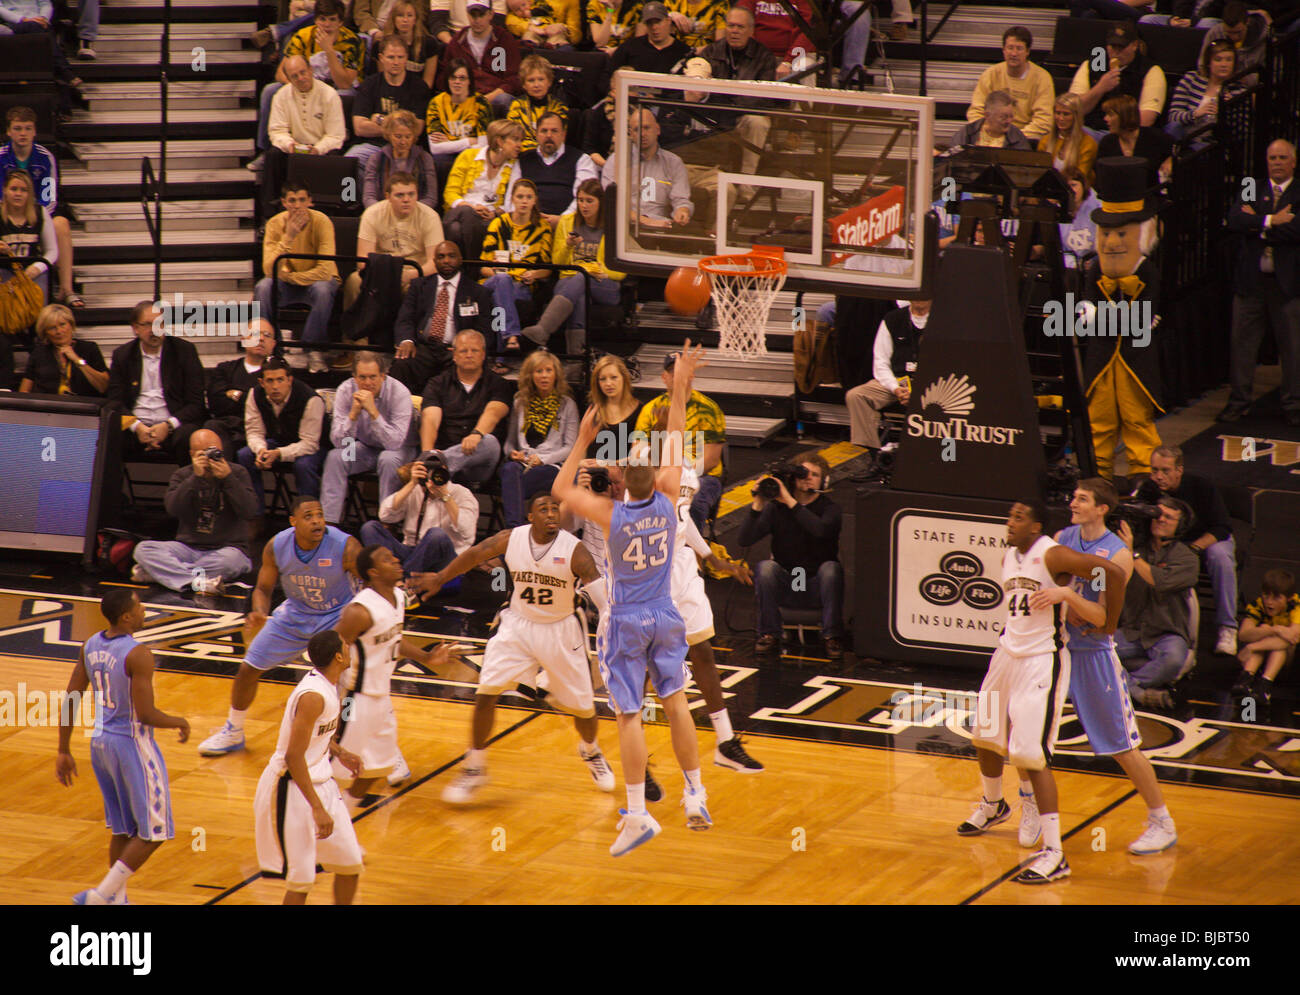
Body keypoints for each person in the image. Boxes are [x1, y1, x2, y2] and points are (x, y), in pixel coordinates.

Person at [551, 340, 713, 856]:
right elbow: (676, 432)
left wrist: (581, 440)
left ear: (621, 481)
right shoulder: (669, 498)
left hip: (625, 619)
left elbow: (559, 489)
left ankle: (639, 813)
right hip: (666, 614)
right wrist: (682, 381)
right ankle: (695, 794)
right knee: (676, 703)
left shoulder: (611, 515)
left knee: (627, 714)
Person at [957, 499, 1128, 885]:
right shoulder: (1008, 556)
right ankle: (993, 803)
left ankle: (1055, 853)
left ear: (1036, 526)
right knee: (984, 736)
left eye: (1019, 516)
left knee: (1031, 755)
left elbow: (1111, 573)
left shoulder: (1053, 555)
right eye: (1010, 514)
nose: (1010, 521)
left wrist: (1108, 622)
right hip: (1006, 653)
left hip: (1041, 660)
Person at [414, 492, 617, 802]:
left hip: (561, 630)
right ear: (530, 517)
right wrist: (441, 578)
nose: (551, 513)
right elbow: (474, 555)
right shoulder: (511, 538)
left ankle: (590, 750)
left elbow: (600, 594)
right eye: (543, 508)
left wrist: (617, 626)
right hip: (516, 626)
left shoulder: (574, 550)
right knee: (486, 692)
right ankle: (475, 765)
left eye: (554, 508)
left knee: (584, 708)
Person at [1056, 478, 1178, 854]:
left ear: (1101, 509)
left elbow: (1105, 616)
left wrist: (1073, 605)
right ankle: (1023, 806)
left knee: (1122, 746)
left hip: (1093, 656)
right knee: (1028, 734)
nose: (1072, 503)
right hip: (1056, 650)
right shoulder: (1062, 536)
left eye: (1082, 499)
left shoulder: (1117, 554)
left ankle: (1161, 820)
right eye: (1073, 496)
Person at [197, 496, 362, 757]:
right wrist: (260, 612)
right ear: (293, 522)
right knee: (247, 669)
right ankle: (233, 730)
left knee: (347, 686)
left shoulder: (345, 546)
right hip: (294, 615)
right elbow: (263, 588)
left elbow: (370, 582)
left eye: (319, 515)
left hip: (335, 617)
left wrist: (359, 621)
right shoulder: (277, 545)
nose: (317, 521)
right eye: (309, 516)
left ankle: (344, 742)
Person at [57, 589, 190, 905]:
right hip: (132, 745)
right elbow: (146, 714)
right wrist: (179, 722)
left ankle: (117, 899)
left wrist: (63, 749)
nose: (145, 611)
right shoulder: (138, 653)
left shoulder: (90, 645)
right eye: (140, 607)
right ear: (127, 616)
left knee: (122, 829)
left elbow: (71, 696)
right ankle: (101, 896)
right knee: (153, 833)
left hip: (100, 744)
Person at [333, 545, 458, 804]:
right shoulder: (359, 611)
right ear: (373, 572)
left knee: (379, 767)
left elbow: (393, 641)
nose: (397, 560)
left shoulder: (398, 599)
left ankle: (343, 818)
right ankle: (310, 824)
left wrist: (426, 657)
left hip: (382, 698)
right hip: (354, 700)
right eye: (388, 560)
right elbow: (331, 651)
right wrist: (329, 701)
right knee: (335, 770)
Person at [253, 629, 364, 904]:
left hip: (322, 782)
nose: (349, 646)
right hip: (292, 789)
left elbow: (316, 736)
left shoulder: (330, 683)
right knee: (301, 881)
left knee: (350, 866)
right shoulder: (313, 696)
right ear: (338, 656)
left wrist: (340, 751)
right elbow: (293, 756)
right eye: (345, 644)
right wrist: (317, 807)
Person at [1080, 157, 1165, 480]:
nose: (1113, 242)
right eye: (1107, 233)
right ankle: (1095, 479)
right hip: (1101, 360)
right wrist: (1117, 318)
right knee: (1098, 422)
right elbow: (1083, 316)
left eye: (1121, 233)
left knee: (1136, 421)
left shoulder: (1148, 272)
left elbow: (1141, 320)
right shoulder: (1094, 272)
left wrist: (1105, 317)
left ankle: (1143, 480)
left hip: (1135, 361)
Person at [1221, 139, 1300, 426]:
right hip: (1250, 282)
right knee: (1242, 345)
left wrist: (1258, 226)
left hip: (1288, 284)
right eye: (1272, 158)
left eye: (1282, 157)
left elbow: (1296, 229)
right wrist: (1271, 221)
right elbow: (1234, 220)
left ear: (1293, 161)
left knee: (1293, 348)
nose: (1277, 162)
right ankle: (1238, 403)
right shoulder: (1250, 186)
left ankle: (1294, 406)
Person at [738, 451, 845, 660]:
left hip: (815, 582)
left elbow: (820, 530)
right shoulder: (777, 509)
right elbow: (744, 540)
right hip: (789, 581)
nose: (808, 477)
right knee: (765, 568)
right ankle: (769, 633)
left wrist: (789, 501)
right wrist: (758, 504)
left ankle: (832, 636)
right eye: (803, 473)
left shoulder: (830, 509)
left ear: (824, 480)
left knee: (831, 569)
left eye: (814, 474)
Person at [1137, 445, 1240, 655]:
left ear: (1179, 470)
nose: (1158, 476)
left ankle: (1227, 628)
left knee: (1221, 558)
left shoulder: (1201, 486)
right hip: (1169, 543)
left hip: (1206, 539)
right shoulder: (1148, 490)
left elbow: (1222, 527)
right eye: (1154, 470)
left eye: (1165, 471)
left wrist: (1193, 548)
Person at [131, 429, 259, 595]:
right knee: (143, 549)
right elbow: (173, 509)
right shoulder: (183, 475)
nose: (210, 457)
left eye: (215, 452)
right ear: (192, 454)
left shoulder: (237, 473)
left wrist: (228, 479)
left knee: (231, 562)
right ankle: (197, 582)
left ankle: (162, 574)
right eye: (203, 453)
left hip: (227, 549)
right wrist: (195, 479)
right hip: (188, 548)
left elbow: (249, 511)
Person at [1113, 496, 1198, 709]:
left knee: (1173, 659)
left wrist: (1130, 553)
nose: (1160, 520)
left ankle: (1121, 687)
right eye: (1157, 515)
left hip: (1166, 633)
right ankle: (1138, 693)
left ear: (1181, 526)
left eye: (1168, 518)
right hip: (1132, 631)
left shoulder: (1188, 559)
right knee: (1091, 649)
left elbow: (1157, 580)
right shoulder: (1135, 547)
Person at [524, 177, 623, 351]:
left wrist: (596, 270)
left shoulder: (612, 226)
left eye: (589, 201)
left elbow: (621, 271)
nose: (584, 205)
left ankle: (543, 329)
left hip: (605, 284)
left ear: (601, 202)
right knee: (579, 291)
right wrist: (568, 246)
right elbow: (558, 263)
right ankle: (577, 359)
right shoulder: (567, 222)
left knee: (581, 276)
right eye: (581, 200)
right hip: (570, 282)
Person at [106, 300, 207, 466]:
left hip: (174, 426)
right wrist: (137, 426)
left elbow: (196, 404)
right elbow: (115, 402)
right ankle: (113, 492)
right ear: (135, 328)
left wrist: (168, 426)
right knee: (109, 436)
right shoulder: (122, 355)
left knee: (189, 436)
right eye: (147, 325)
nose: (154, 330)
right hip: (136, 427)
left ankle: (187, 489)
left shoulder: (184, 351)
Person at [254, 182, 340, 374]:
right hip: (289, 284)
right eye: (292, 200)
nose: (298, 205)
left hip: (316, 282)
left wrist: (291, 277)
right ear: (284, 203)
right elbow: (269, 269)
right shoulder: (275, 224)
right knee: (263, 287)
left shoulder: (322, 221)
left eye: (302, 200)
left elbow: (325, 270)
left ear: (310, 201)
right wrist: (289, 237)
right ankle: (272, 349)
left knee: (323, 289)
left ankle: (312, 349)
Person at [320, 352, 414, 525]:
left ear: (383, 376)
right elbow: (340, 443)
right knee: (336, 457)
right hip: (366, 446)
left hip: (401, 449)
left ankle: (387, 522)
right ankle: (330, 523)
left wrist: (373, 413)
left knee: (387, 459)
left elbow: (394, 443)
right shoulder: (345, 390)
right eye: (362, 377)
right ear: (354, 377)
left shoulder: (400, 393)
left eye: (373, 377)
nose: (368, 383)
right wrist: (353, 416)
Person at [633, 350, 724, 529]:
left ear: (691, 375)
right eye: (674, 373)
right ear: (664, 377)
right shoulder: (650, 409)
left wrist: (680, 476)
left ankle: (691, 552)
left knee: (692, 501)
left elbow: (712, 459)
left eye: (682, 372)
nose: (678, 378)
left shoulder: (709, 408)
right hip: (659, 473)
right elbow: (638, 453)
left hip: (702, 476)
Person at [1, 106, 82, 308]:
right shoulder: (0, 156)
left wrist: (33, 215)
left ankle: (66, 289)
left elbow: (50, 197)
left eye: (28, 128)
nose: (23, 134)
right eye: (18, 128)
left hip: (37, 214)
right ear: (9, 131)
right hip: (6, 215)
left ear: (35, 131)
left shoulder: (45, 157)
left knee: (61, 224)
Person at [391, 240, 496, 392]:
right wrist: (406, 340)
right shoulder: (419, 286)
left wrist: (465, 348)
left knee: (467, 363)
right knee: (402, 362)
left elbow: (485, 330)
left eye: (451, 256)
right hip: (423, 348)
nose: (446, 260)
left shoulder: (478, 292)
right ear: (434, 261)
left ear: (460, 259)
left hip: (456, 350)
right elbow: (404, 318)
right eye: (441, 257)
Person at [845, 299, 930, 476]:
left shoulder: (944, 319)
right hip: (896, 381)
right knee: (856, 396)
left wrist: (920, 389)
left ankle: (945, 457)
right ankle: (873, 459)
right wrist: (895, 388)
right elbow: (880, 362)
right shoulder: (892, 319)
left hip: (931, 384)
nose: (920, 298)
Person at [418, 329, 513, 483]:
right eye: (463, 350)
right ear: (454, 355)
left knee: (489, 441)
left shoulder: (498, 384)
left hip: (479, 465)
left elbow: (493, 413)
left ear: (483, 354)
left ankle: (430, 466)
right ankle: (433, 464)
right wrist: (427, 452)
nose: (469, 354)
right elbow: (430, 419)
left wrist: (477, 434)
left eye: (474, 350)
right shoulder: (437, 383)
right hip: (445, 455)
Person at [238, 355, 328, 517]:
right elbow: (254, 432)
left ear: (289, 380)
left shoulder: (310, 399)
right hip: (278, 442)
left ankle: (308, 517)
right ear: (262, 383)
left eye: (280, 380)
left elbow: (310, 443)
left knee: (303, 465)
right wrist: (261, 451)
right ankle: (255, 516)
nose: (275, 386)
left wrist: (279, 453)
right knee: (245, 455)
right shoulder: (254, 394)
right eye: (270, 381)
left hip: (314, 447)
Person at [360, 451, 478, 573]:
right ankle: (396, 579)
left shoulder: (462, 493)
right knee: (370, 528)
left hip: (445, 560)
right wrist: (411, 483)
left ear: (445, 470)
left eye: (436, 470)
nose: (430, 474)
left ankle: (401, 584)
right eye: (426, 469)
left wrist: (445, 497)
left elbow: (467, 532)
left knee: (436, 535)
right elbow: (385, 516)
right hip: (412, 551)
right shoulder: (414, 490)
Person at [344, 170, 444, 311]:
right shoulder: (372, 214)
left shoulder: (430, 217)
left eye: (411, 194)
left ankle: (410, 333)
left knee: (420, 288)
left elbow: (435, 263)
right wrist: (389, 275)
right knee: (354, 281)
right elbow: (362, 261)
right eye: (399, 195)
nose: (406, 199)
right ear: (388, 197)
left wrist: (410, 275)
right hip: (379, 271)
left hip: (415, 272)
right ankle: (355, 332)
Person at [501, 350, 577, 527]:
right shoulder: (520, 402)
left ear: (556, 374)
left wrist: (542, 460)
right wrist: (512, 453)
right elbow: (510, 442)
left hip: (552, 467)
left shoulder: (567, 404)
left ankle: (515, 531)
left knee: (512, 483)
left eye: (548, 371)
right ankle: (516, 530)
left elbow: (570, 448)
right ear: (530, 375)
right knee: (509, 469)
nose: (544, 376)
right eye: (539, 371)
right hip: (523, 465)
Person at [261, 55, 347, 209]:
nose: (300, 78)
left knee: (336, 157)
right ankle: (270, 213)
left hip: (322, 150)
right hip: (293, 150)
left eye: (303, 72)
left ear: (311, 70)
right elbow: (276, 131)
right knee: (273, 155)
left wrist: (318, 149)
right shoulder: (281, 96)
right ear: (288, 78)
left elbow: (336, 135)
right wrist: (290, 145)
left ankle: (333, 209)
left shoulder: (329, 95)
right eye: (294, 76)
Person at [480, 178, 554, 354]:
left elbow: (548, 270)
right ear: (512, 198)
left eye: (529, 197)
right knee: (502, 281)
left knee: (501, 301)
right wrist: (497, 274)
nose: (524, 201)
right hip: (492, 281)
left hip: (521, 286)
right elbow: (482, 267)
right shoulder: (499, 223)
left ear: (535, 200)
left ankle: (501, 352)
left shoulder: (542, 228)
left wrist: (534, 275)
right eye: (520, 196)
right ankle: (512, 334)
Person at [442, 118, 524, 260]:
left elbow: (511, 202)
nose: (520, 145)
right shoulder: (468, 156)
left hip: (489, 217)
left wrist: (495, 213)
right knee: (467, 214)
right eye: (515, 140)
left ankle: (467, 268)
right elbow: (450, 193)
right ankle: (475, 267)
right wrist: (470, 207)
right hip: (460, 210)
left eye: (521, 140)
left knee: (456, 229)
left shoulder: (515, 166)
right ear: (499, 141)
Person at [347, 36, 432, 166]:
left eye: (400, 57)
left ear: (407, 58)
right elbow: (360, 127)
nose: (396, 62)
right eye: (391, 57)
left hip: (406, 148)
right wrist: (400, 129)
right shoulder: (369, 84)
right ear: (381, 58)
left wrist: (380, 120)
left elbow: (417, 129)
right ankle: (352, 188)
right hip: (373, 146)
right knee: (351, 159)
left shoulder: (419, 87)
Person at [1069, 23, 1167, 133]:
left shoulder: (1150, 70)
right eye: (1112, 46)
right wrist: (1100, 87)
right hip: (1089, 128)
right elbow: (1073, 109)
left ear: (1134, 45)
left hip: (1126, 134)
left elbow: (1147, 118)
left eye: (1121, 47)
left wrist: (1117, 135)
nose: (1116, 52)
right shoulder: (1093, 65)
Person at [205, 319, 278, 460]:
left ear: (273, 344)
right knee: (212, 427)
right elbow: (216, 403)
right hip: (225, 428)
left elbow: (268, 406)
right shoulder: (224, 369)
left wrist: (233, 393)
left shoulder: (276, 373)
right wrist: (251, 397)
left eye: (267, 335)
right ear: (244, 340)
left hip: (261, 431)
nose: (261, 338)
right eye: (255, 334)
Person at [967, 26, 1055, 143]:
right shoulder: (990, 74)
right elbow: (975, 112)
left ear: (1028, 51)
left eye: (1019, 48)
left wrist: (1014, 138)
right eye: (1010, 48)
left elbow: (1044, 120)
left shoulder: (1042, 78)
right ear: (1003, 50)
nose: (1014, 53)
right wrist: (989, 131)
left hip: (1026, 139)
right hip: (991, 135)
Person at [440, 0, 521, 115]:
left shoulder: (503, 39)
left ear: (491, 14)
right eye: (473, 15)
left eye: (481, 15)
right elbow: (445, 75)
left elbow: (513, 79)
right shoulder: (458, 42)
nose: (477, 20)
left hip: (495, 98)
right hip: (464, 99)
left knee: (504, 100)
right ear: (467, 15)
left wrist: (488, 98)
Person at [518, 112, 599, 226]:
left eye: (554, 131)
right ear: (536, 134)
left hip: (568, 226)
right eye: (544, 131)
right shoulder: (523, 159)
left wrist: (562, 220)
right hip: (528, 223)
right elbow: (512, 197)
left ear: (563, 134)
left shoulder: (581, 159)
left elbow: (585, 196)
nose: (549, 135)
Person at [1233, 568, 1300, 705]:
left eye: (1276, 598)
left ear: (1288, 598)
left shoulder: (1296, 606)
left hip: (1289, 663)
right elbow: (1244, 634)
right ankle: (1245, 680)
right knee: (1264, 630)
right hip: (1261, 658)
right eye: (1266, 595)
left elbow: (1293, 637)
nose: (1269, 602)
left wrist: (1252, 647)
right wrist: (1274, 630)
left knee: (1282, 643)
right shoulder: (1258, 605)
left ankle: (1265, 685)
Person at [18, 303, 107, 395]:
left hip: (83, 406)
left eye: (62, 324)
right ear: (45, 333)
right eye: (52, 328)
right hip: (49, 406)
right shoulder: (39, 353)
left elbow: (103, 387)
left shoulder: (89, 348)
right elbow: (24, 391)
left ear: (71, 325)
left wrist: (78, 360)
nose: (59, 331)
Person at [1165, 39, 1245, 142]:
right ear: (1208, 63)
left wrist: (1229, 110)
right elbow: (1173, 117)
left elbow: (1241, 132)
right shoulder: (1191, 79)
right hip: (1184, 136)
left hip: (1209, 144)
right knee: (1173, 127)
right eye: (1218, 59)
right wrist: (1195, 114)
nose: (1224, 64)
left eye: (1229, 60)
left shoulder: (1239, 91)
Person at [278, 0, 363, 92]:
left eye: (332, 19)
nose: (327, 24)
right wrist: (301, 87)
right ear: (315, 20)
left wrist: (329, 50)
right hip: (306, 86)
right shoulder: (302, 36)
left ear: (340, 22)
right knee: (270, 90)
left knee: (344, 92)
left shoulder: (352, 41)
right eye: (322, 19)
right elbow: (280, 73)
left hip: (339, 89)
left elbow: (344, 85)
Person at [426, 57, 492, 172]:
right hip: (448, 156)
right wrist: (469, 141)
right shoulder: (435, 103)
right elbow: (435, 148)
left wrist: (450, 142)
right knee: (438, 161)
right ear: (447, 80)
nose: (457, 82)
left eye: (462, 78)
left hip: (472, 154)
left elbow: (483, 144)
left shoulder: (481, 103)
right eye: (453, 78)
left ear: (469, 81)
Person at [0, 167, 56, 303]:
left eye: (23, 190)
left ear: (29, 194)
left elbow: (52, 251)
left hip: (32, 272)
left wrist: (38, 267)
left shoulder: (40, 213)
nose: (18, 194)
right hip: (4, 271)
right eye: (13, 189)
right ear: (5, 191)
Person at [363, 110, 439, 209]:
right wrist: (384, 211)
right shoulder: (376, 159)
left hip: (416, 213)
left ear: (414, 136)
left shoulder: (425, 159)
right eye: (398, 136)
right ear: (389, 135)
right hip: (383, 212)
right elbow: (369, 197)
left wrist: (410, 210)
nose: (403, 142)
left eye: (408, 137)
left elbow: (431, 198)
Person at [1096, 95, 1173, 190]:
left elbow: (1181, 150)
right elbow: (1101, 178)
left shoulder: (1155, 137)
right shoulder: (1107, 142)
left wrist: (1171, 160)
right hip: (1118, 198)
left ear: (1125, 116)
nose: (1105, 119)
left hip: (1152, 196)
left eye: (1110, 114)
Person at [362, 0, 441, 86]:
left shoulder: (429, 44)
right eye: (400, 15)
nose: (405, 20)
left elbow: (428, 83)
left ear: (415, 19)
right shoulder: (380, 45)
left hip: (418, 94)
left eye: (409, 15)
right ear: (393, 19)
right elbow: (383, 80)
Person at [608, 2, 693, 78]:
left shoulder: (684, 52)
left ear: (668, 21)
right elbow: (608, 76)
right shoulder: (630, 47)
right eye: (649, 23)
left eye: (658, 22)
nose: (654, 27)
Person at [506, 54, 569, 153]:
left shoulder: (559, 107)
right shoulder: (516, 106)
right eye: (531, 80)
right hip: (522, 156)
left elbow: (558, 140)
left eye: (541, 79)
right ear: (524, 85)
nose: (536, 85)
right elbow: (512, 139)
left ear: (549, 82)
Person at [736, 0, 813, 78]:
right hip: (757, 55)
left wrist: (787, 62)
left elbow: (807, 32)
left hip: (793, 58)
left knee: (805, 65)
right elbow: (742, 24)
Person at [585, 354, 641, 460]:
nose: (608, 383)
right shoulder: (592, 410)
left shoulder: (640, 411)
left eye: (614, 377)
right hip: (592, 472)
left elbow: (641, 457)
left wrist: (610, 465)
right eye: (602, 379)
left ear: (624, 378)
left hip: (625, 474)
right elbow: (582, 448)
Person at [1038, 93, 1097, 184]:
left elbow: (1080, 179)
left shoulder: (1088, 143)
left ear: (1076, 116)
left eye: (1066, 114)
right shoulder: (1045, 141)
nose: (1061, 118)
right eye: (1058, 113)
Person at [952, 89, 1034, 150]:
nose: (1009, 121)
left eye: (1011, 116)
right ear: (987, 115)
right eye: (1004, 117)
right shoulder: (967, 133)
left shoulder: (1017, 138)